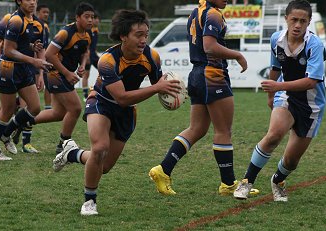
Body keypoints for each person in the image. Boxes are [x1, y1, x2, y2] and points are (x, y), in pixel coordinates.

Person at [51, 9, 181, 215]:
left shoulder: (152, 56)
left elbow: (158, 85)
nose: (143, 40)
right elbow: (121, 97)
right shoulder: (108, 61)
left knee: (104, 166)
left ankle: (72, 153)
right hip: (101, 103)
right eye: (138, 35)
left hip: (127, 112)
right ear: (123, 36)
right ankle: (89, 201)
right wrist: (157, 88)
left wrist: (172, 93)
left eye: (146, 35)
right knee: (100, 148)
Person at [148, 0, 252, 196]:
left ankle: (163, 170)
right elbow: (210, 47)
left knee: (197, 129)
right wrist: (237, 55)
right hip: (212, 75)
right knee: (223, 131)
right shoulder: (213, 13)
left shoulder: (195, 12)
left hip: (197, 74)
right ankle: (228, 184)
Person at [234, 0, 325, 202]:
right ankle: (247, 181)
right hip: (286, 97)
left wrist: (277, 87)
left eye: (303, 21)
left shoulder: (315, 45)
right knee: (274, 135)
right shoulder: (276, 39)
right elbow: (275, 67)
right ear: (286, 19)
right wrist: (271, 94)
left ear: (309, 22)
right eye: (294, 20)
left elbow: (311, 82)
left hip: (312, 105)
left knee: (292, 161)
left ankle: (278, 180)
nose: (298, 25)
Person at [0, 0, 52, 161]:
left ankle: (6, 133)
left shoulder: (38, 23)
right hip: (8, 68)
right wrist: (34, 61)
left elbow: (36, 46)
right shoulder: (15, 20)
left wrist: (33, 52)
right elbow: (8, 49)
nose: (33, 2)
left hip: (23, 68)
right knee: (7, 110)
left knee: (35, 107)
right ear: (19, 1)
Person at [31, 2, 93, 154]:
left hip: (63, 74)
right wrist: (66, 73)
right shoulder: (65, 33)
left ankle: (21, 122)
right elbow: (49, 55)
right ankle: (63, 144)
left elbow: (85, 53)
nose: (90, 20)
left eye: (92, 17)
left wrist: (82, 65)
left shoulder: (87, 34)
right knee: (76, 108)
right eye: (87, 17)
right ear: (77, 18)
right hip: (54, 73)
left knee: (58, 113)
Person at [82, 10, 100, 101]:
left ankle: (99, 90)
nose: (97, 21)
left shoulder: (96, 30)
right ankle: (85, 95)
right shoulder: (88, 30)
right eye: (95, 19)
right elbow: (87, 45)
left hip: (94, 55)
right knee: (86, 75)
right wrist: (87, 56)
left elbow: (93, 45)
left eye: (97, 19)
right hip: (89, 56)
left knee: (104, 71)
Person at [36, 3, 52, 109]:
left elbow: (44, 46)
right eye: (44, 12)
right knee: (35, 86)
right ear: (37, 13)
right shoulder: (36, 25)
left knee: (47, 84)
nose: (46, 14)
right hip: (35, 60)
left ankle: (47, 107)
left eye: (47, 13)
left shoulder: (45, 27)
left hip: (43, 59)